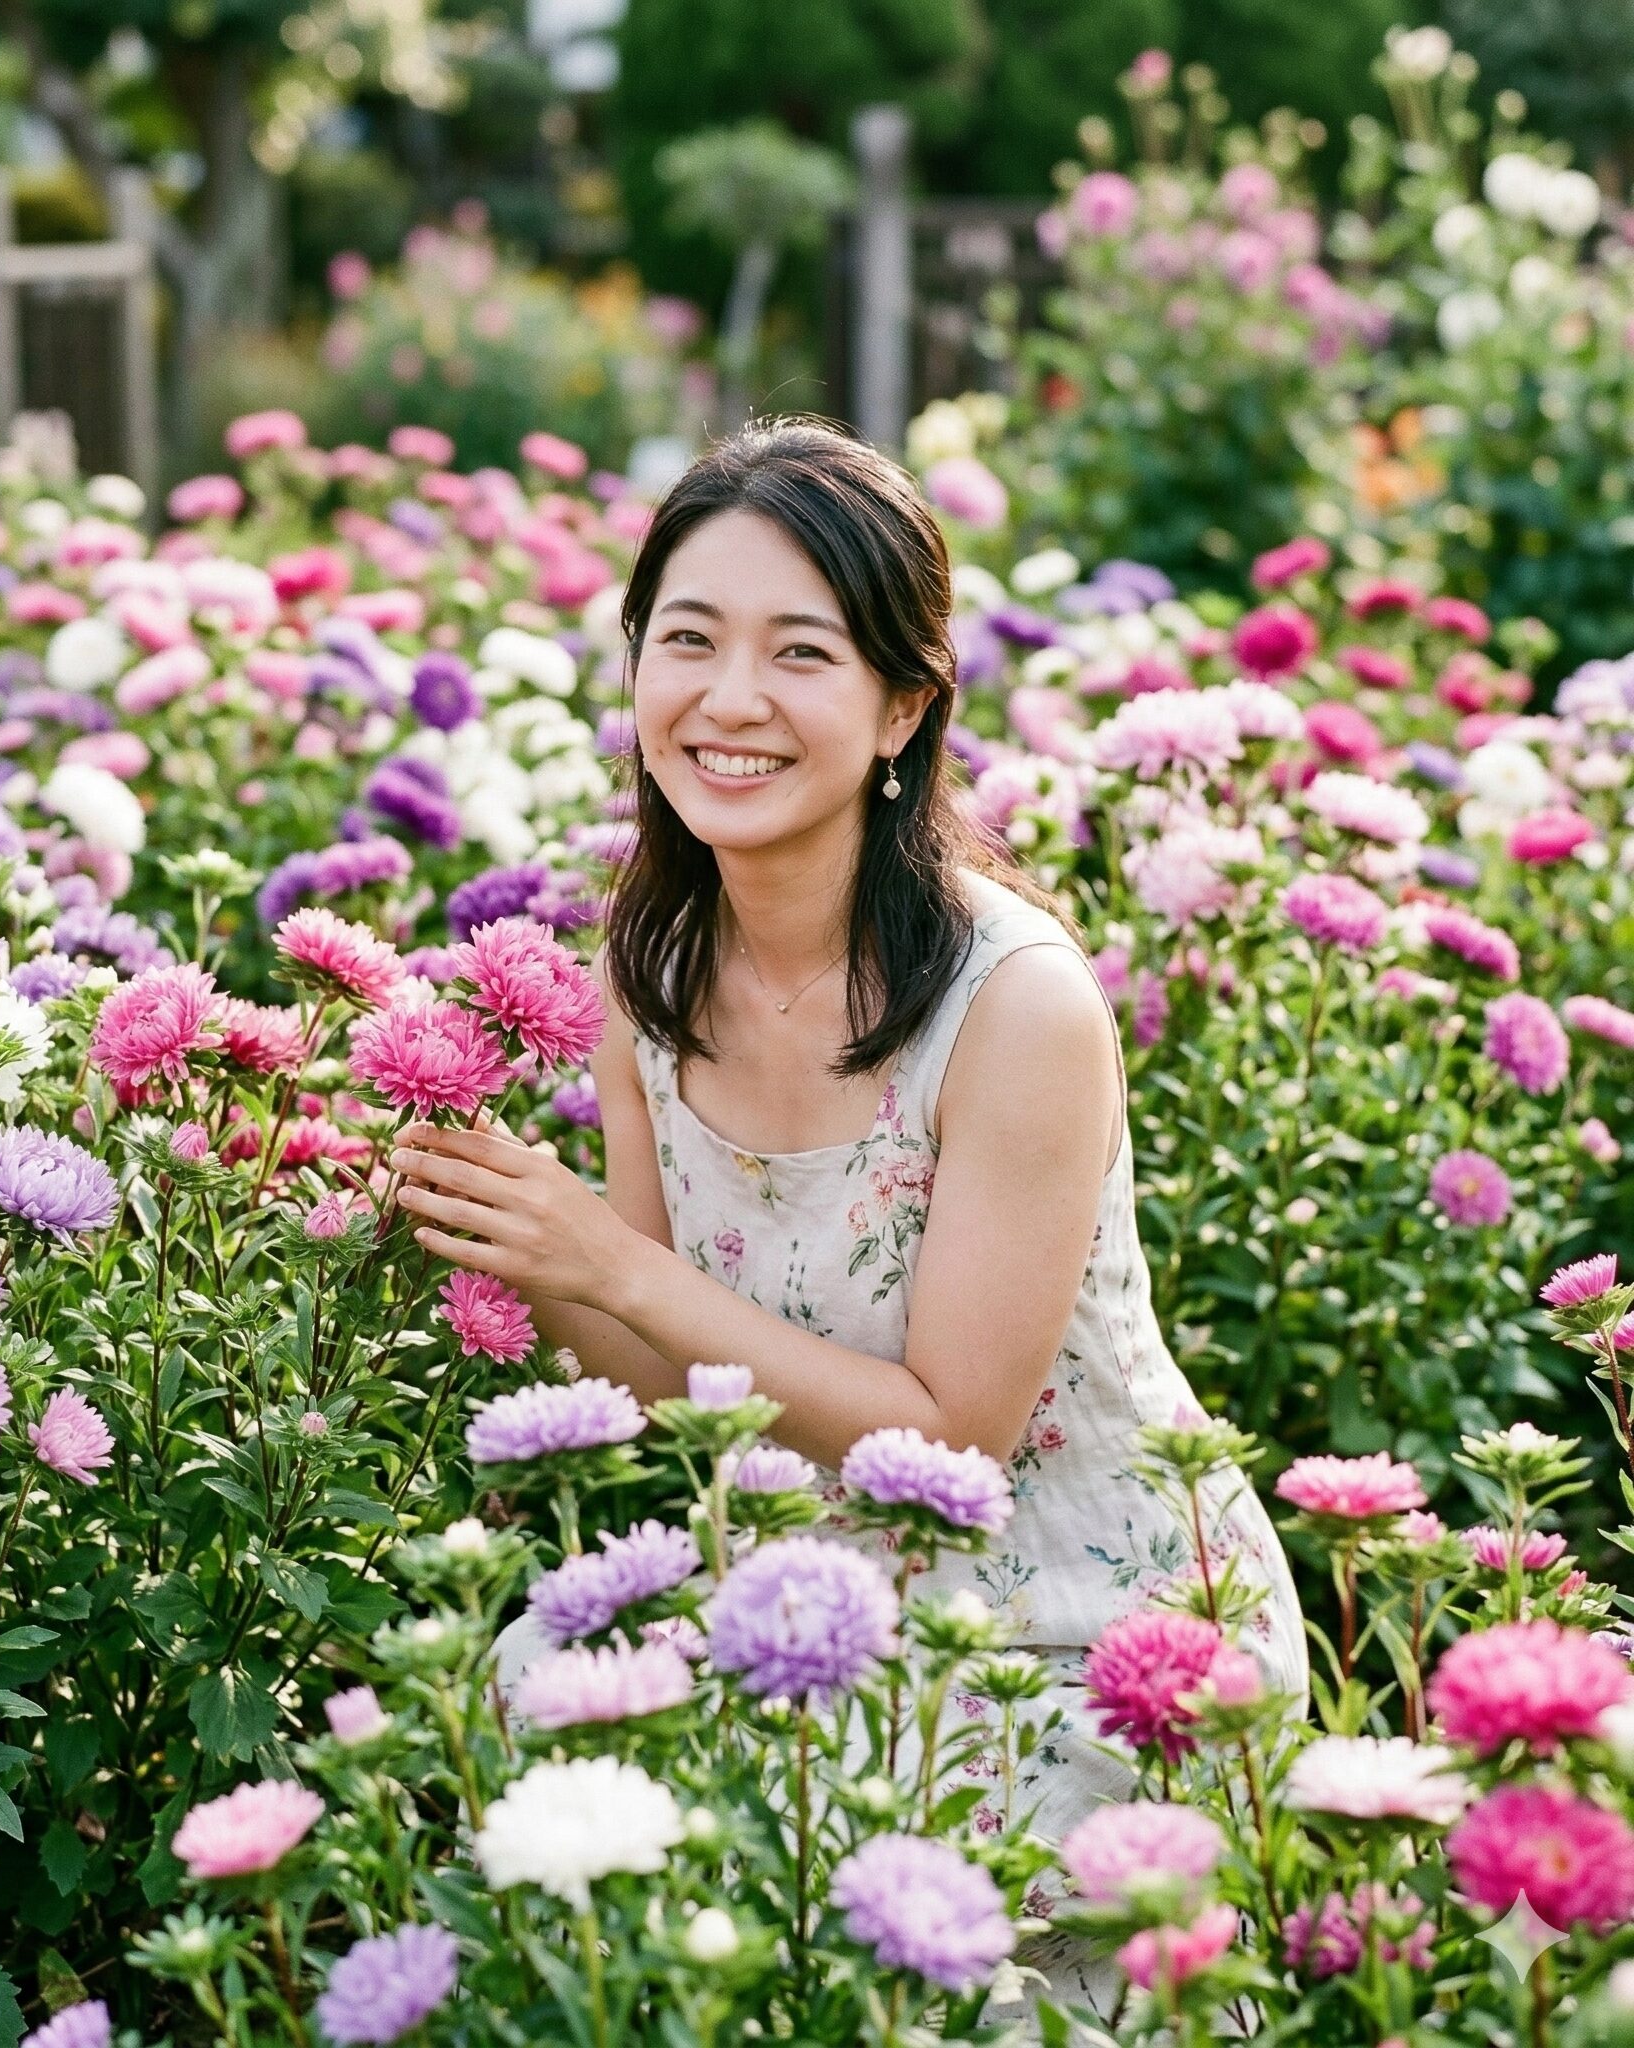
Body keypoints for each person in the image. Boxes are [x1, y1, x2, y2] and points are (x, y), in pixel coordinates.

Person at [391, 416, 1307, 2015]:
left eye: (798, 652)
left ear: (902, 705)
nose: (728, 699)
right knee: (496, 1770)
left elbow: (954, 1439)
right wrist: (502, 1238)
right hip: (808, 1602)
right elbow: (671, 1383)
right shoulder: (652, 978)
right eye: (687, 639)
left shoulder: (1015, 1005)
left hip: (1075, 1639)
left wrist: (609, 1265)